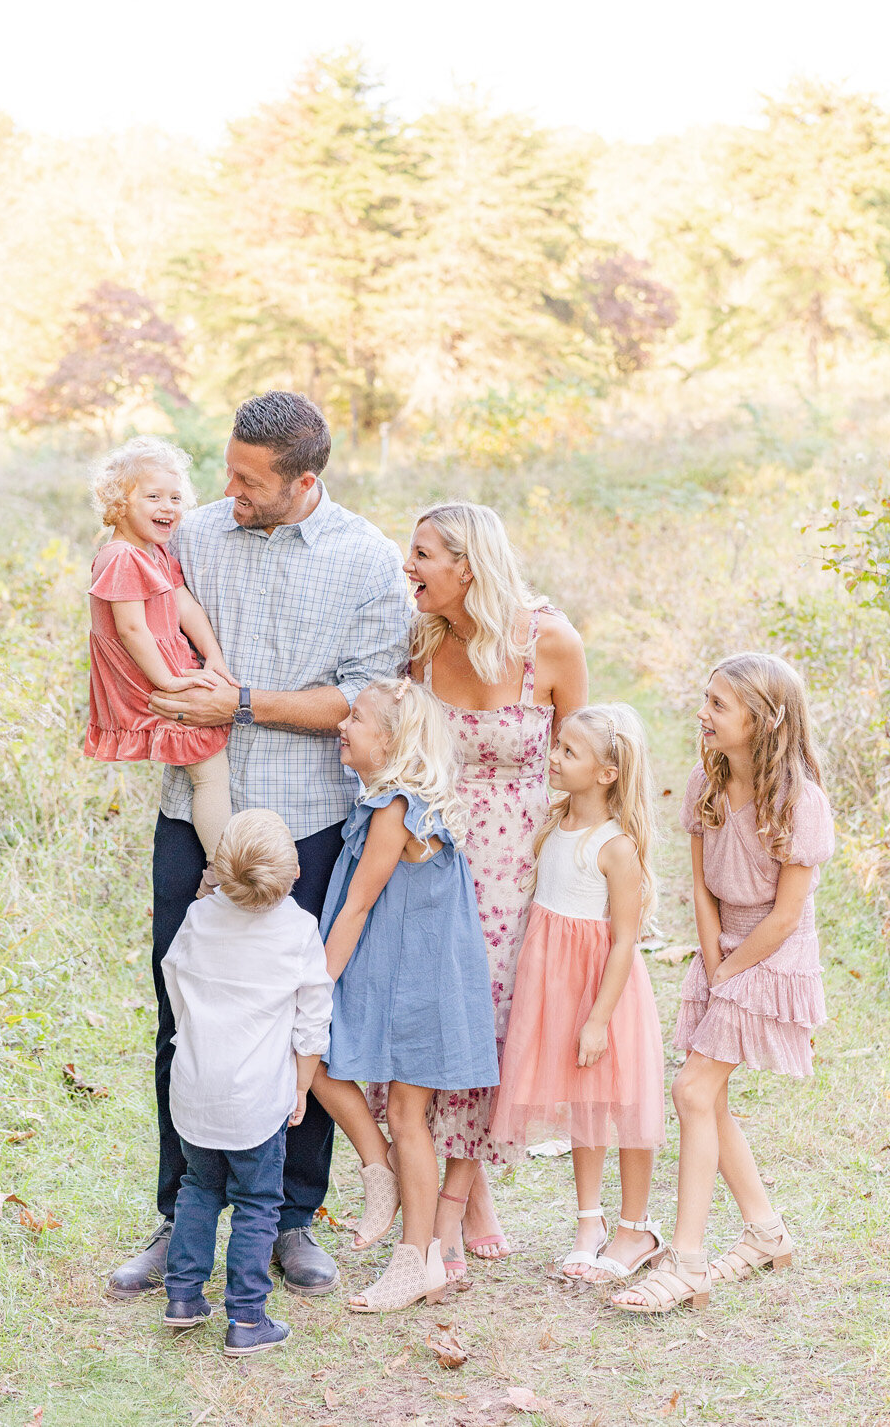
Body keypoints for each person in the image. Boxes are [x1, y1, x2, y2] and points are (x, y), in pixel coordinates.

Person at [106, 392, 410, 1302]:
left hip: (310, 817)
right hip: (193, 816)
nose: (225, 490)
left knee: (301, 1015)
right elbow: (124, 598)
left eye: (247, 480)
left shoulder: (366, 561)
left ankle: (288, 1218)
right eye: (225, 469)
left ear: (303, 481)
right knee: (185, 1010)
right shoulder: (190, 535)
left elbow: (362, 702)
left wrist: (238, 703)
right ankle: (181, 1212)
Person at [397, 502, 588, 1279]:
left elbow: (586, 760)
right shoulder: (422, 641)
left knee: (497, 1020)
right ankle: (462, 1197)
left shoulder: (550, 642)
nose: (406, 568)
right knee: (437, 1017)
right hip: (434, 858)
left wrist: (590, 874)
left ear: (467, 566)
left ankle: (459, 1195)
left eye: (421, 556)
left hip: (519, 865)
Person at [613, 652, 834, 1315]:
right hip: (724, 951)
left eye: (718, 705)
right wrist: (711, 963)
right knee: (710, 1099)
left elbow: (787, 916)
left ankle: (686, 1263)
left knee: (691, 1087)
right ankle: (766, 1231)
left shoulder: (799, 802)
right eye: (705, 699)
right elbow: (704, 889)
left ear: (763, 722)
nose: (702, 714)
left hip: (772, 957)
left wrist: (734, 973)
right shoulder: (704, 785)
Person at [311, 678, 499, 1312]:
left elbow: (358, 905)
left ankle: (416, 1259)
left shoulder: (397, 810)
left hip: (419, 985)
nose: (343, 725)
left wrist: (315, 989)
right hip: (390, 976)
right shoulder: (384, 803)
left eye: (356, 718)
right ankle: (379, 1167)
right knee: (320, 1066)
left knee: (404, 1115)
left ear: (389, 739)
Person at [490, 704, 666, 1284]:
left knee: (626, 1108)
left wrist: (597, 1019)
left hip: (603, 994)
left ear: (607, 773)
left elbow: (623, 942)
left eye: (569, 752)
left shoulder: (615, 846)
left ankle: (634, 1225)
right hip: (556, 987)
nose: (554, 758)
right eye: (556, 746)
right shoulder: (552, 821)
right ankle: (588, 1222)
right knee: (585, 1108)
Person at [161, 810, 332, 1356]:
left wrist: (192, 1037)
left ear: (219, 869)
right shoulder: (299, 931)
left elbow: (175, 981)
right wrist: (301, 1088)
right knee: (259, 1203)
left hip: (194, 1084)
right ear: (296, 872)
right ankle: (248, 1318)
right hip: (258, 1097)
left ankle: (184, 1298)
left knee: (199, 1189)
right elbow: (312, 1024)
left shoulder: (198, 918)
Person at [85, 438, 233, 877]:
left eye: (174, 497)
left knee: (209, 767)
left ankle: (221, 863)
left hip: (165, 665)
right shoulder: (120, 557)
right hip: (145, 678)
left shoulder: (155, 551)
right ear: (119, 502)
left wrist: (214, 656)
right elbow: (130, 629)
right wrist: (169, 682)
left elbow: (183, 602)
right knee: (209, 771)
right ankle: (222, 870)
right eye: (152, 496)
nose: (167, 506)